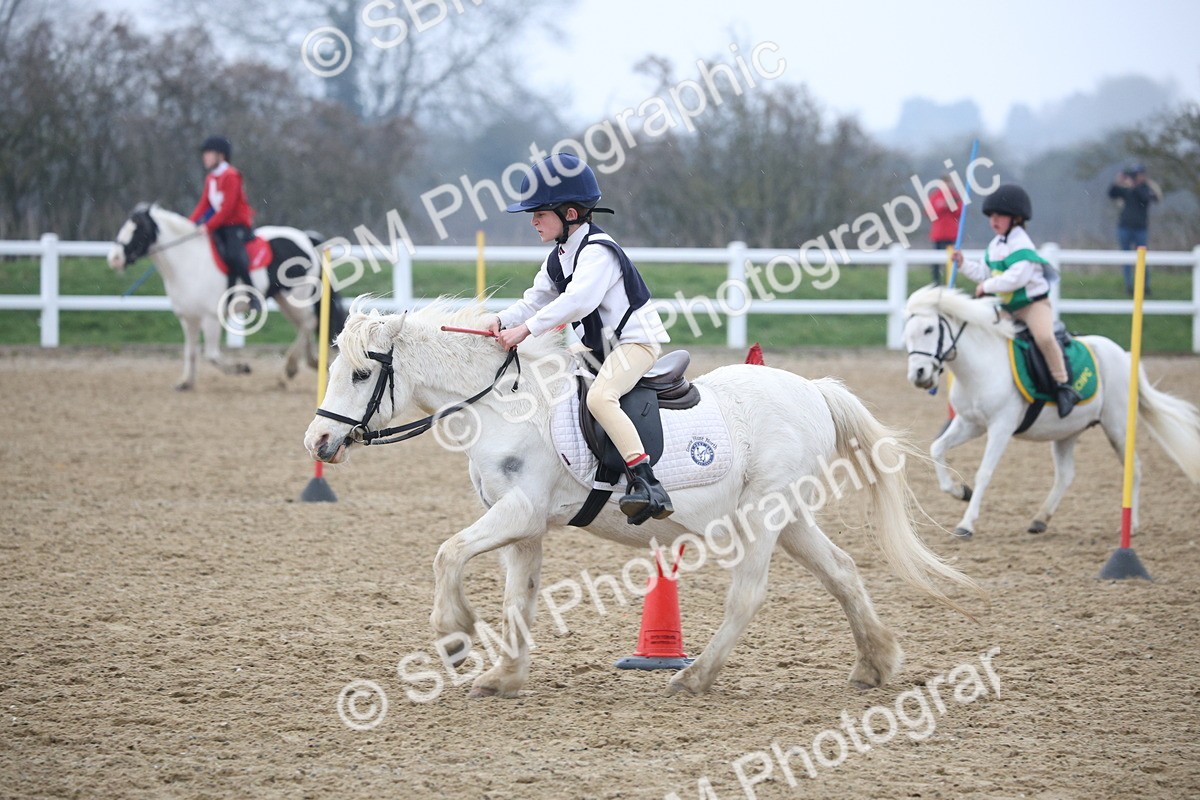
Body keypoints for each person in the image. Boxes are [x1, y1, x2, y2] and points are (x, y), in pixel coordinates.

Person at [483, 153, 673, 525]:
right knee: (547, 378)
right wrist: (501, 319)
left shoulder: (598, 252)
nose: (533, 220)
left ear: (570, 214)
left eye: (540, 212)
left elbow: (578, 301)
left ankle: (647, 481)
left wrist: (526, 330)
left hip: (634, 344)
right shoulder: (559, 257)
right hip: (595, 347)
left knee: (602, 398)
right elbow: (534, 300)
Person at [953, 184, 1079, 417]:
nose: (994, 220)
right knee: (982, 330)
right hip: (1008, 307)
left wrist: (986, 286)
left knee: (1044, 337)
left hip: (1033, 306)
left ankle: (1063, 386)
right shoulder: (995, 245)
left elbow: (1016, 279)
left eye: (999, 215)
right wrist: (963, 264)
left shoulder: (1022, 244)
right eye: (991, 215)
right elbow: (984, 272)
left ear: (1016, 218)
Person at [189, 135, 257, 306]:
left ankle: (252, 293)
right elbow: (203, 204)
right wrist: (189, 224)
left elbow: (227, 209)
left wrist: (207, 225)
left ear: (221, 155)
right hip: (220, 226)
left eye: (208, 153)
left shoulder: (231, 176)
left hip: (236, 225)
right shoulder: (211, 178)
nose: (205, 157)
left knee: (233, 255)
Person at [1107, 164, 1160, 296]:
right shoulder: (1127, 189)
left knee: (1142, 259)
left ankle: (1144, 286)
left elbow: (1147, 198)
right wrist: (1117, 182)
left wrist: (1134, 186)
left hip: (1140, 229)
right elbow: (1112, 194)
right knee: (1126, 258)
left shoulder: (1145, 188)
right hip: (1124, 227)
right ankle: (1129, 286)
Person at [928, 177, 962, 285]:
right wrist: (943, 206)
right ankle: (936, 282)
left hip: (951, 234)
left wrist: (950, 206)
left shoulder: (955, 196)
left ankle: (951, 282)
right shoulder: (935, 196)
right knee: (936, 261)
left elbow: (960, 212)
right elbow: (929, 212)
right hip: (938, 234)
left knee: (951, 260)